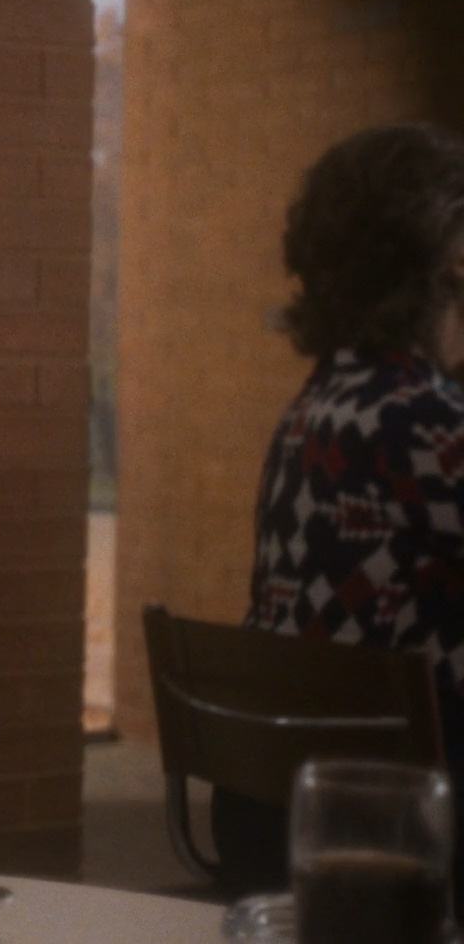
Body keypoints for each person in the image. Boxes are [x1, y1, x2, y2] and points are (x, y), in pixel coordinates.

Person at [223, 122, 464, 893]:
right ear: (447, 267)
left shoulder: (314, 410)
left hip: (275, 805)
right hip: (395, 819)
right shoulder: (424, 423)